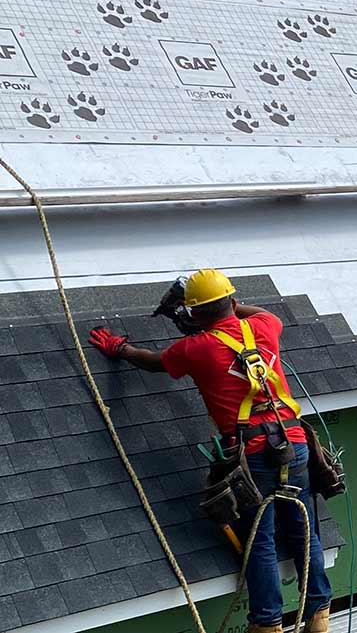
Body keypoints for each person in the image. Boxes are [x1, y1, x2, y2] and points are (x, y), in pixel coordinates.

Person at [87, 269, 332, 633]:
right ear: (233, 302)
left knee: (259, 538)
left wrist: (120, 348)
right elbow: (253, 313)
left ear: (196, 315)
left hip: (252, 454)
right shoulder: (265, 326)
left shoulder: (195, 349)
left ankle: (267, 624)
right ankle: (318, 613)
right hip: (294, 443)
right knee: (303, 527)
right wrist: (222, 308)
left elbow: (154, 362)